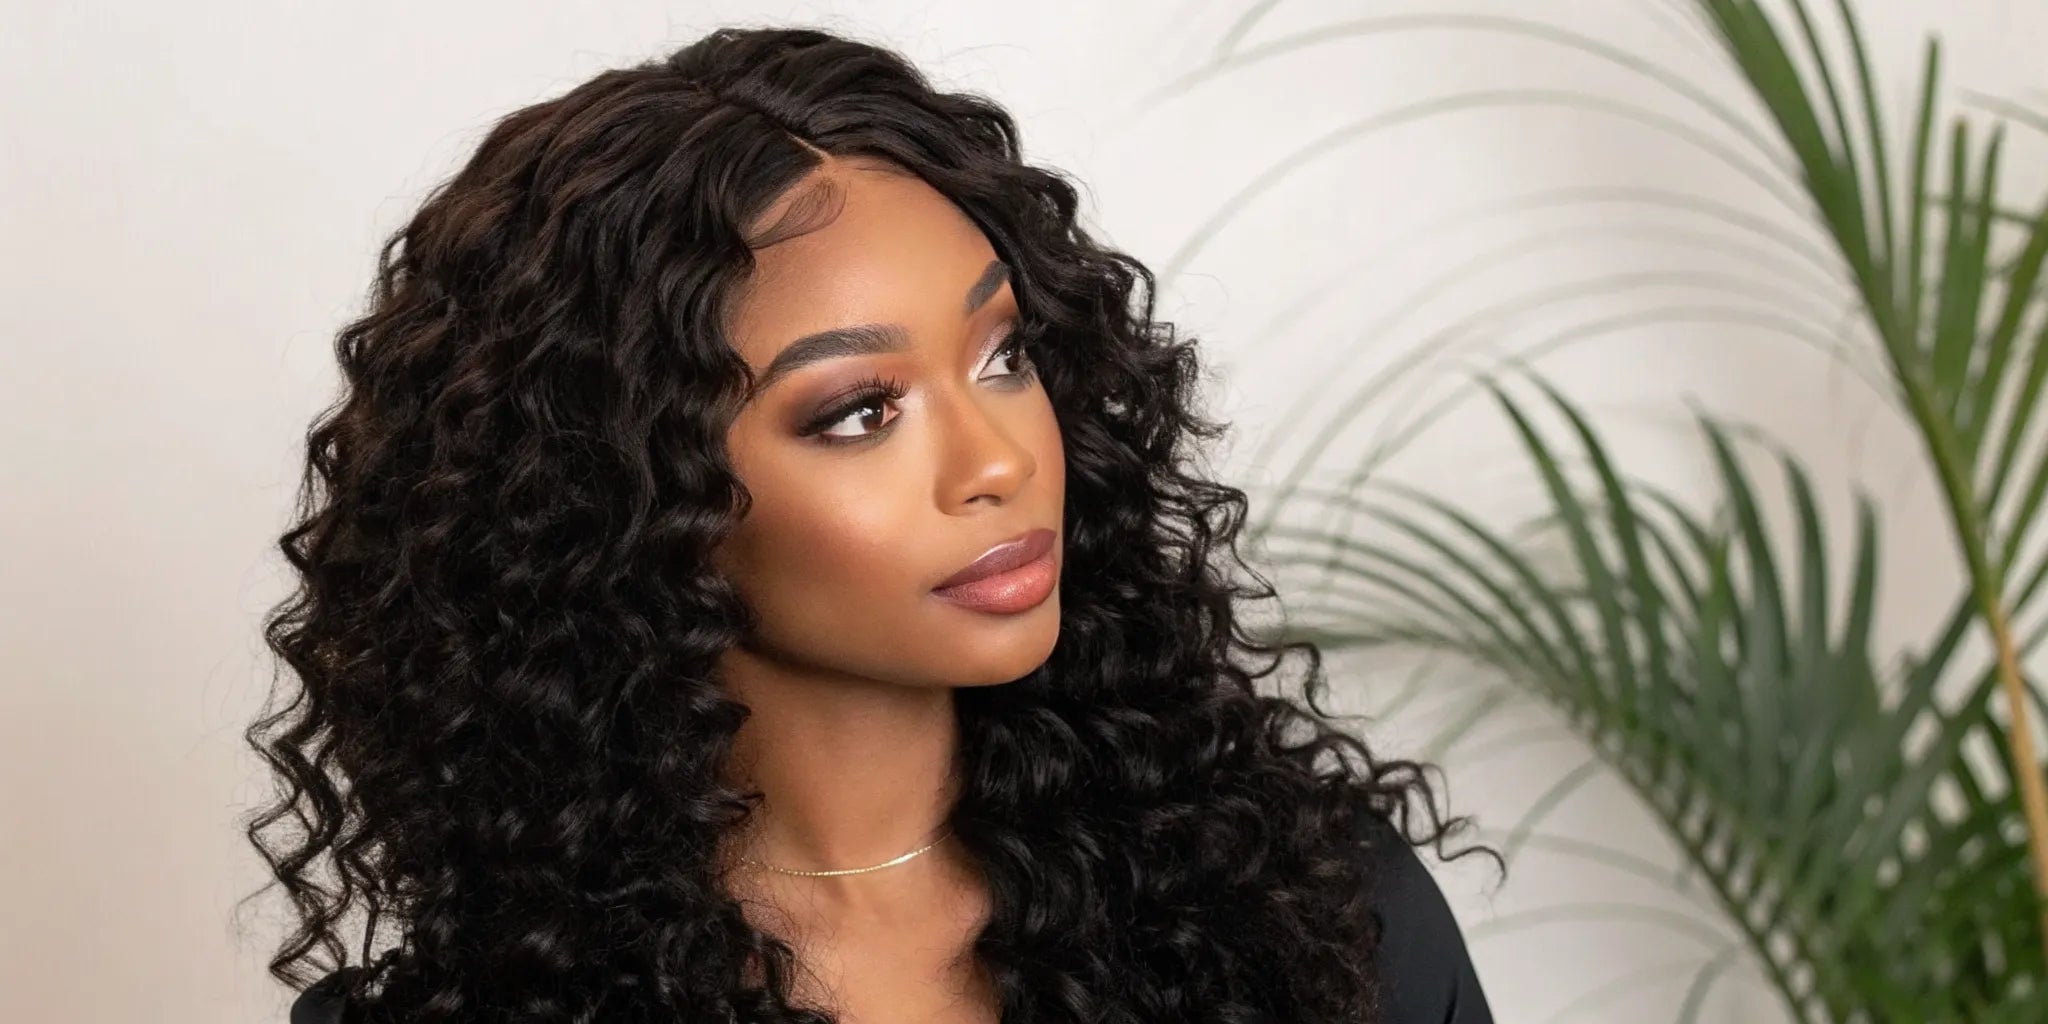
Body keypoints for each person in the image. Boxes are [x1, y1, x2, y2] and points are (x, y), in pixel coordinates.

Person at [247, 24, 1502, 1024]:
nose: (996, 459)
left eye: (1003, 355)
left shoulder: (1316, 913)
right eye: (857, 411)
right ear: (625, 501)